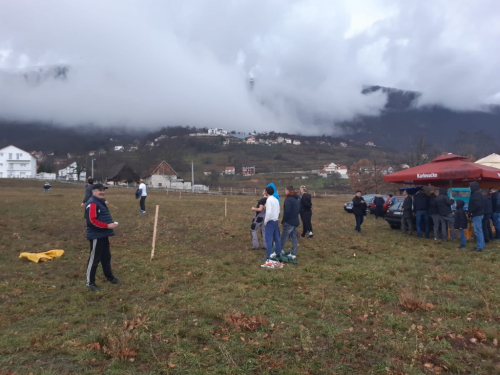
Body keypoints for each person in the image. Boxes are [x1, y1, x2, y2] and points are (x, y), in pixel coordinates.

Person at [84, 184, 120, 291]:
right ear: (93, 191)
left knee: (106, 257)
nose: (102, 192)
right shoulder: (92, 204)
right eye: (100, 190)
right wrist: (107, 226)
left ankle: (110, 277)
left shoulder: (99, 201)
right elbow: (91, 221)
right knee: (94, 259)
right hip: (96, 236)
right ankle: (90, 283)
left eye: (103, 190)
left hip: (104, 234)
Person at [261, 186, 282, 268]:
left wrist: (265, 221)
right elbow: (279, 210)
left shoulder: (269, 200)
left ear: (266, 192)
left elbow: (268, 212)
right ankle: (278, 253)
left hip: (270, 221)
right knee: (277, 238)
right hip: (275, 220)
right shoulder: (276, 200)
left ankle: (268, 257)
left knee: (268, 239)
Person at [279, 186, 300, 259]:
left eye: (285, 190)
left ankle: (278, 251)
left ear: (288, 191)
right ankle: (293, 253)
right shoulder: (296, 199)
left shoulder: (288, 199)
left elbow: (287, 211)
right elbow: (298, 210)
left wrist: (284, 220)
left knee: (283, 237)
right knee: (294, 237)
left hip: (288, 222)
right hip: (295, 221)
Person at [468, 181, 484, 251]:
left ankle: (480, 247)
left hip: (477, 214)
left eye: (470, 186)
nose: (469, 188)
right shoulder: (477, 193)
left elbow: (477, 204)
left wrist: (471, 211)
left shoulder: (476, 194)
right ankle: (481, 245)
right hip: (478, 213)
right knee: (479, 230)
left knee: (478, 231)